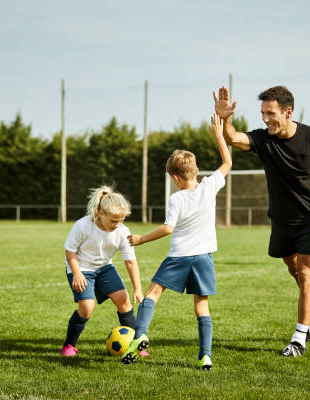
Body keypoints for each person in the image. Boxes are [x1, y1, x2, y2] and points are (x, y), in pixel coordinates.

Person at [213, 85, 310, 357]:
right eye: (262, 113)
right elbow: (234, 138)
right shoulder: (264, 139)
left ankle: (298, 340)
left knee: (307, 272)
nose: (265, 119)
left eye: (270, 113)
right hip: (282, 219)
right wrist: (225, 117)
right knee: (292, 265)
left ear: (288, 112)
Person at [121, 113, 232, 370]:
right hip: (204, 257)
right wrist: (218, 134)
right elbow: (227, 161)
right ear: (196, 170)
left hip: (179, 256)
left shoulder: (176, 199)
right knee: (201, 306)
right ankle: (206, 356)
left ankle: (140, 335)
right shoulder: (209, 186)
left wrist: (141, 239)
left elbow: (168, 228)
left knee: (152, 293)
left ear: (175, 178)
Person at [61, 186, 145, 357]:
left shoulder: (122, 232)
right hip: (80, 267)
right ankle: (69, 346)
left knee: (124, 301)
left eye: (121, 220)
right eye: (114, 220)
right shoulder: (83, 226)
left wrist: (138, 288)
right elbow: (70, 251)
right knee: (86, 308)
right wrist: (77, 273)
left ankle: (134, 345)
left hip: (104, 268)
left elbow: (130, 261)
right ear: (100, 213)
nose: (118, 224)